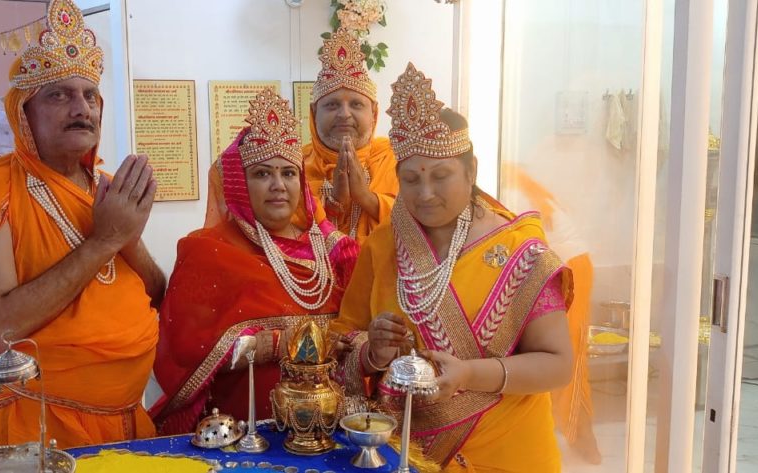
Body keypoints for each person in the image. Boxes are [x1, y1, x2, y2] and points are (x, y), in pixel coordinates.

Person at [0, 0, 164, 448]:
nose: (81, 108)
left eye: (89, 96)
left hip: (131, 419)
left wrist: (127, 238)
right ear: (23, 114)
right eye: (58, 95)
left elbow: (157, 293)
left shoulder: (107, 187)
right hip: (43, 427)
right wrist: (104, 240)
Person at [331, 63, 574, 472]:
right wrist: (371, 352)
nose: (425, 194)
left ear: (471, 170)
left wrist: (469, 375)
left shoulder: (520, 249)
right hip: (405, 453)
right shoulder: (383, 243)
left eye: (441, 175)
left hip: (509, 453)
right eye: (411, 179)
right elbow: (341, 343)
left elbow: (558, 364)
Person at [152, 89, 359, 435]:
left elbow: (357, 325)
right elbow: (188, 353)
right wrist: (279, 344)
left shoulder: (332, 250)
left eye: (288, 173)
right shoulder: (207, 252)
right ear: (239, 183)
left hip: (330, 426)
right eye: (262, 174)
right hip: (244, 431)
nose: (278, 185)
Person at [204, 28, 398, 243]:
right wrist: (334, 202)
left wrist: (366, 198)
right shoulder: (292, 165)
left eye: (356, 104)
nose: (344, 114)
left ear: (374, 113)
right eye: (332, 105)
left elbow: (422, 224)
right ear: (314, 113)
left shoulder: (397, 160)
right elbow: (274, 232)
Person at [501, 162, 602, 464]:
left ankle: (581, 436)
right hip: (562, 266)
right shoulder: (516, 180)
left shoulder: (510, 187)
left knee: (568, 355)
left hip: (569, 266)